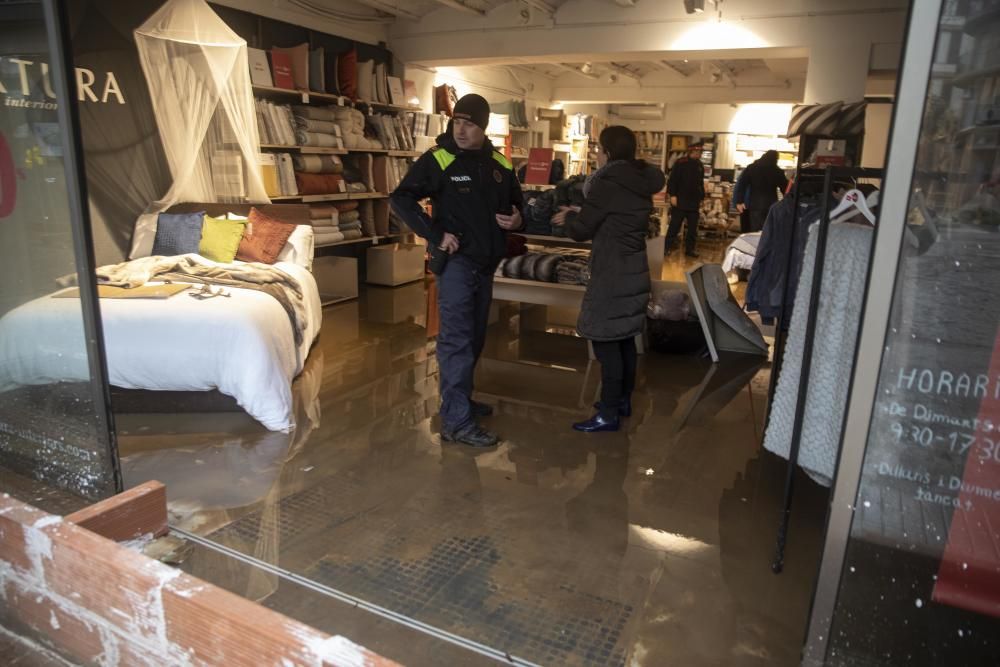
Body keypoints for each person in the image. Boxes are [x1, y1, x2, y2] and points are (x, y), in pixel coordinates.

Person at [390, 94, 524, 448]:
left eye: (470, 124)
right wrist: (435, 233)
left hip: (486, 264)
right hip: (458, 266)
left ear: (483, 127)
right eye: (457, 122)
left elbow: (517, 204)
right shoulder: (440, 159)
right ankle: (456, 423)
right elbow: (401, 197)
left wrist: (517, 217)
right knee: (456, 342)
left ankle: (458, 401)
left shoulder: (501, 163)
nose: (461, 130)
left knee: (476, 337)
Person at [552, 126, 665, 432]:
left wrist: (570, 217)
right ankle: (621, 401)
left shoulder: (607, 183)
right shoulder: (637, 181)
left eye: (599, 149)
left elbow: (580, 232)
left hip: (611, 273)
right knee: (624, 338)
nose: (597, 155)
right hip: (632, 269)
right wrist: (584, 210)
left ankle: (608, 414)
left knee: (604, 342)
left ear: (608, 153)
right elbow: (618, 214)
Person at [665, 143, 705, 257]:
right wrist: (672, 195)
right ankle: (666, 248)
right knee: (674, 226)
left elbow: (700, 183)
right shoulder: (680, 163)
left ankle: (690, 250)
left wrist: (702, 198)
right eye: (697, 152)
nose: (699, 154)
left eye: (700, 152)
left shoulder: (700, 165)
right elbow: (672, 180)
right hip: (680, 201)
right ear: (691, 151)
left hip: (694, 202)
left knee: (692, 229)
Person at [741, 150, 788, 232]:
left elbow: (742, 184)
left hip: (755, 203)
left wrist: (739, 200)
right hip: (771, 204)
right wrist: (788, 201)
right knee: (768, 230)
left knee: (755, 229)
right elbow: (785, 188)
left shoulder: (752, 168)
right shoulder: (777, 171)